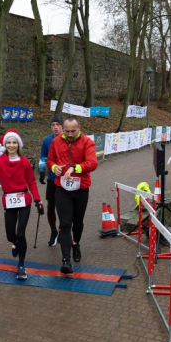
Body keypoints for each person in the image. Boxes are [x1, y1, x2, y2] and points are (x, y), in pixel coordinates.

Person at [0, 129, 43, 280]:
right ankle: (15, 243)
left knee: (21, 233)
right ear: (5, 145)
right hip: (9, 200)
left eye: (14, 142)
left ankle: (21, 265)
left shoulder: (24, 162)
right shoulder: (0, 162)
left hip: (24, 200)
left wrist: (37, 200)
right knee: (11, 235)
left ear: (19, 145)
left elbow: (31, 182)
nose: (11, 145)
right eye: (9, 142)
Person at [47, 117, 98, 274]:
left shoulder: (87, 142)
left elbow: (92, 163)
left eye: (72, 131)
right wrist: (54, 167)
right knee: (65, 223)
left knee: (78, 222)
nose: (69, 134)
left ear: (79, 128)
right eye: (67, 131)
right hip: (61, 188)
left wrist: (75, 168)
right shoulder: (56, 142)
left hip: (81, 188)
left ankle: (76, 243)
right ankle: (66, 260)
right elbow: (50, 160)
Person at [38, 114, 64, 246]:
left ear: (62, 126)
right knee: (50, 206)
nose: (55, 127)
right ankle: (53, 231)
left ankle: (62, 230)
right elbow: (43, 157)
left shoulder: (67, 139)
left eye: (57, 125)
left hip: (65, 179)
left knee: (63, 207)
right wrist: (42, 171)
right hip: (52, 179)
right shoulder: (47, 140)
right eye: (53, 125)